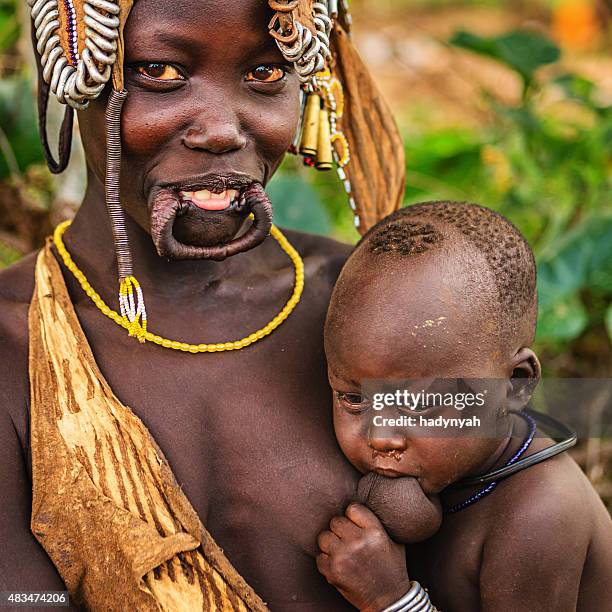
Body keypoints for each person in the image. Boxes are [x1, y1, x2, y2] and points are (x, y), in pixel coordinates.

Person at [0, 0, 408, 609]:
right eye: (160, 72)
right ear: (67, 69)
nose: (220, 129)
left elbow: (529, 495)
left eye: (266, 73)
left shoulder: (375, 300)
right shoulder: (12, 347)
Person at [318, 202, 612, 612]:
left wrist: (391, 599)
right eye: (354, 398)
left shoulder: (540, 514)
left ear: (514, 385)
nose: (380, 436)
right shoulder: (443, 467)